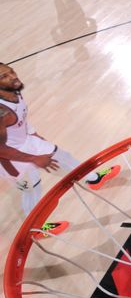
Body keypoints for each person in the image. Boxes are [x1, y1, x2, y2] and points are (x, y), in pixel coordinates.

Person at [0, 63, 121, 238]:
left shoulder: (13, 90)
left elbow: (22, 121)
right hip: (10, 161)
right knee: (33, 190)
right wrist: (33, 158)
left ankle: (94, 179)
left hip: (25, 142)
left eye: (10, 71)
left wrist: (35, 136)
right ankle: (35, 228)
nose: (12, 76)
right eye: (4, 76)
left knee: (64, 156)